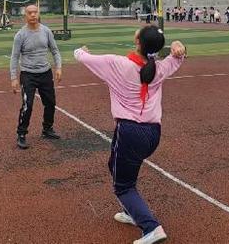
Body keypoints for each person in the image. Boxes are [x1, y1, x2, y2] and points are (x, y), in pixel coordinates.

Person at [74, 26, 187, 244]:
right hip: (153, 133)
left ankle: (150, 228)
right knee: (114, 166)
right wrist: (179, 48)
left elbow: (82, 57)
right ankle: (130, 211)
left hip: (130, 132)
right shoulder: (160, 68)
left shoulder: (117, 64)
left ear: (137, 40)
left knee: (123, 186)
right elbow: (177, 58)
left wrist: (81, 50)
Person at [10, 4, 62, 150]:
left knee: (50, 103)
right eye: (29, 13)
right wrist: (13, 78)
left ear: (38, 14)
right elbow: (14, 57)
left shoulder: (46, 31)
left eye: (35, 12)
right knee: (28, 105)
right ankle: (21, 133)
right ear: (25, 16)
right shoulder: (20, 35)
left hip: (45, 73)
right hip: (28, 75)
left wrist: (58, 67)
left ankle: (47, 129)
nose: (33, 15)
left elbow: (55, 51)